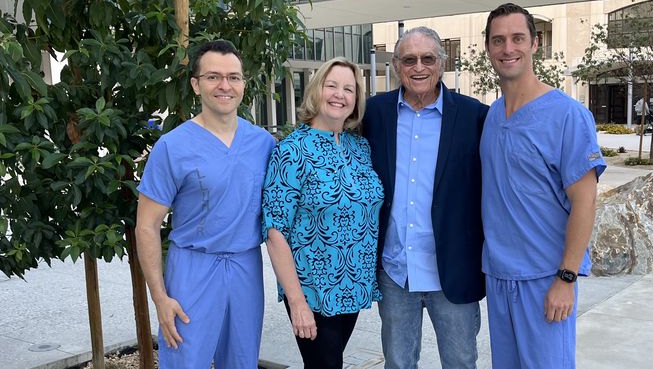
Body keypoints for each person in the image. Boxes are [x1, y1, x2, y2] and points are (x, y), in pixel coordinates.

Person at [480, 3, 606, 369]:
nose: (508, 48)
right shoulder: (492, 115)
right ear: (488, 48)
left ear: (536, 44)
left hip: (545, 279)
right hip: (499, 277)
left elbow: (585, 202)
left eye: (518, 38)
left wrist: (566, 277)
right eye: (498, 40)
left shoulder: (567, 115)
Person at [136, 40, 275, 368]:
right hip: (192, 271)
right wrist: (159, 297)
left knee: (242, 361)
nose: (225, 86)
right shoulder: (172, 147)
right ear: (196, 84)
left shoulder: (264, 144)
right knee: (185, 360)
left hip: (246, 267)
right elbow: (146, 225)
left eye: (234, 77)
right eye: (213, 77)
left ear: (243, 84)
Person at [362, 26, 488, 369]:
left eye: (428, 58)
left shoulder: (474, 115)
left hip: (452, 271)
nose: (419, 67)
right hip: (395, 270)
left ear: (442, 63)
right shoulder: (373, 114)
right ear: (396, 66)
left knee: (461, 362)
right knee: (399, 363)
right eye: (409, 59)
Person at [262, 57, 383, 369]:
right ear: (317, 90)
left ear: (356, 100)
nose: (339, 94)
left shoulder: (361, 148)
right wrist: (296, 302)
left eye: (348, 89)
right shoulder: (291, 150)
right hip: (312, 293)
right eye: (332, 85)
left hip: (351, 286)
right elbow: (275, 232)